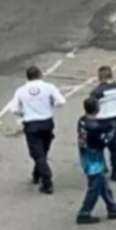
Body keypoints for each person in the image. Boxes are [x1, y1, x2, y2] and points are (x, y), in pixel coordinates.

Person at [11, 65, 67, 194]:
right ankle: (36, 175)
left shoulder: (21, 90)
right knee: (43, 151)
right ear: (40, 74)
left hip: (31, 124)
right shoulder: (49, 87)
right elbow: (61, 101)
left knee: (37, 153)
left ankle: (47, 180)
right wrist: (50, 107)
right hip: (47, 122)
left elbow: (14, 109)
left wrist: (24, 113)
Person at [75, 97, 116, 225]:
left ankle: (112, 207)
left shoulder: (82, 121)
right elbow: (103, 142)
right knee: (94, 187)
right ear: (96, 108)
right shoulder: (95, 127)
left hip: (86, 154)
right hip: (94, 160)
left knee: (103, 185)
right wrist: (113, 131)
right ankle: (84, 212)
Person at [88, 66, 116, 182]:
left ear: (100, 77)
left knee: (97, 147)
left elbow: (92, 106)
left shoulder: (97, 91)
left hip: (101, 123)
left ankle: (100, 168)